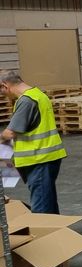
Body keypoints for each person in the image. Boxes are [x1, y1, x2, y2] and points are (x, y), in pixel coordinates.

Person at [0, 70, 66, 214]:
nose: (4, 96)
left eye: (2, 92)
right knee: (47, 200)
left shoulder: (26, 101)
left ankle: (46, 235)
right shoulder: (38, 94)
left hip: (39, 159)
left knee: (41, 206)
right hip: (47, 156)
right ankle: (56, 232)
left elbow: (11, 132)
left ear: (5, 85)